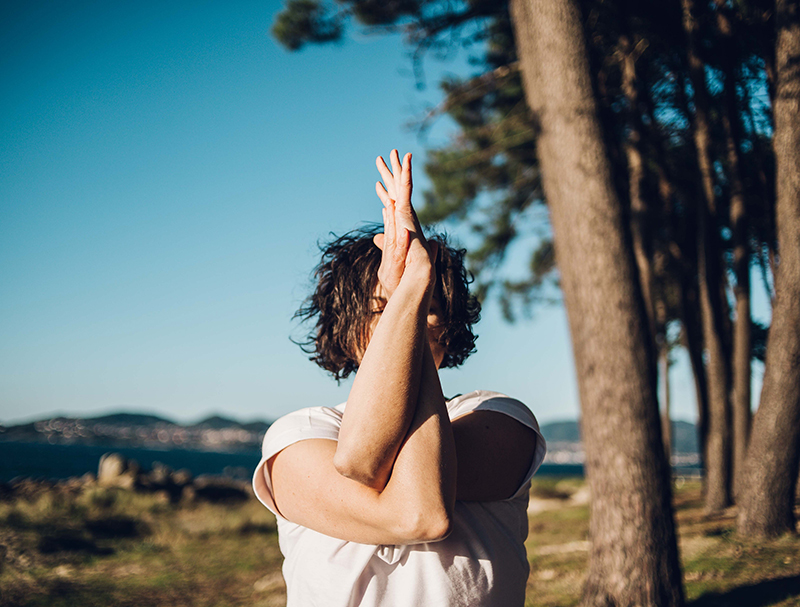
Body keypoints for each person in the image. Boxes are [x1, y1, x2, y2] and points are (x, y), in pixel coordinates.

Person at [252, 149, 547, 606]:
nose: (415, 321)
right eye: (382, 310)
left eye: (427, 308)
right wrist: (409, 295)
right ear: (346, 331)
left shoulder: (499, 417)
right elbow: (387, 484)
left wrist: (408, 294)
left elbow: (419, 509)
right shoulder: (297, 436)